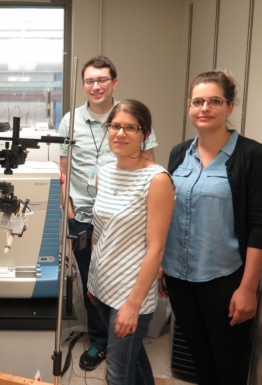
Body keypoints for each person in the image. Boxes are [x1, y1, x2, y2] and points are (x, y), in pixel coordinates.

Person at [160, 70, 262, 385]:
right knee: (199, 360)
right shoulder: (179, 153)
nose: (205, 108)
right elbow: (168, 214)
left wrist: (248, 288)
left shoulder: (250, 154)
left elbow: (259, 224)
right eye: (198, 101)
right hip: (180, 278)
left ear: (229, 107)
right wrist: (163, 266)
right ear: (190, 107)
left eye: (214, 101)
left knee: (228, 364)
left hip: (225, 280)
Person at [58, 56, 158, 371]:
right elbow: (63, 171)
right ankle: (101, 342)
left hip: (126, 221)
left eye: (103, 79)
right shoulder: (70, 122)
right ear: (83, 85)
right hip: (85, 218)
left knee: (126, 285)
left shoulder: (130, 116)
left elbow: (150, 168)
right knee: (93, 288)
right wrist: (69, 210)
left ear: (114, 82)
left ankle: (124, 343)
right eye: (90, 80)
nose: (96, 86)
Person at [86, 99, 174, 385]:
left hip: (130, 292)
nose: (120, 133)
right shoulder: (105, 171)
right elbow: (99, 232)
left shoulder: (156, 179)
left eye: (130, 127)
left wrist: (133, 305)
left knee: (117, 374)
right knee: (133, 360)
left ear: (144, 133)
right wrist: (92, 281)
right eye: (115, 126)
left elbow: (156, 248)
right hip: (101, 285)